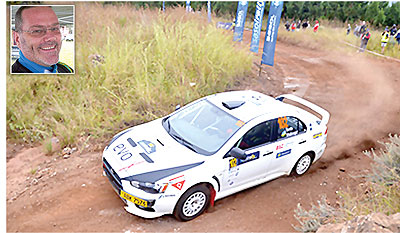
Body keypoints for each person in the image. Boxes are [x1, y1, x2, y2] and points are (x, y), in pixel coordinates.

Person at [12, 6, 73, 73]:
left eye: (55, 28)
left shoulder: (66, 70)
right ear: (17, 39)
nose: (51, 37)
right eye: (37, 31)